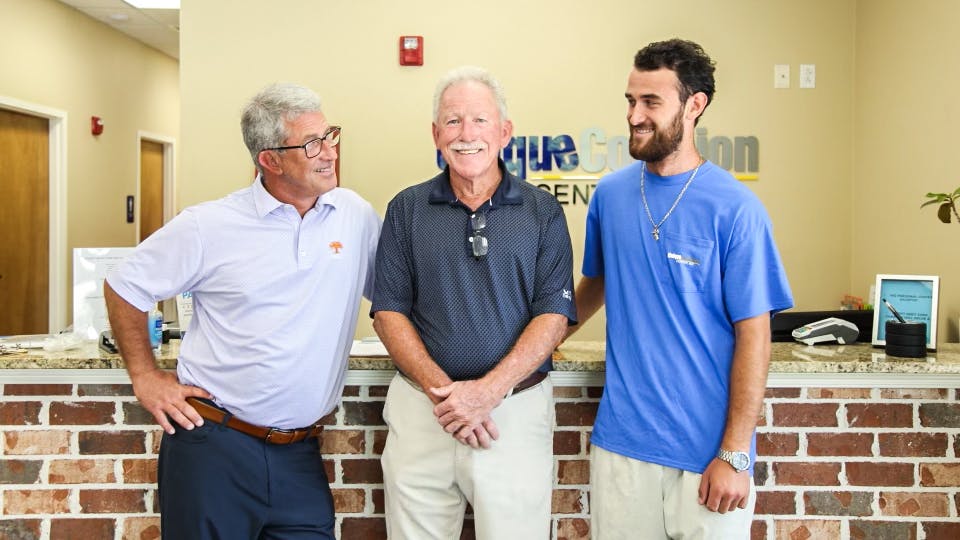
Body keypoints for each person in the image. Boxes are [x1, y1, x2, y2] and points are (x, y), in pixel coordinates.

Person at [104, 82, 380, 539]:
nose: (329, 152)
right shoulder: (208, 225)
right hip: (215, 448)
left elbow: (392, 299)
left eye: (329, 136)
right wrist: (145, 376)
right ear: (270, 160)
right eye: (311, 144)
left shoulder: (356, 215)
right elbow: (124, 285)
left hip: (300, 453)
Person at [569, 39, 794, 539]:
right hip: (623, 448)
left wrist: (734, 453)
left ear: (695, 105)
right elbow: (596, 285)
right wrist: (535, 343)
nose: (635, 116)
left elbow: (755, 335)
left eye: (651, 102)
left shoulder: (736, 209)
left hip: (709, 456)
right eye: (631, 101)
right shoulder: (610, 196)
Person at [371, 65, 576, 539]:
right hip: (423, 412)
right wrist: (450, 398)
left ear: (504, 132)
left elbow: (552, 317)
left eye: (480, 120)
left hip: (513, 414)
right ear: (436, 134)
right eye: (453, 120)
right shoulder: (406, 209)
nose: (466, 134)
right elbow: (388, 313)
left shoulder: (542, 211)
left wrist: (486, 393)